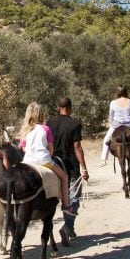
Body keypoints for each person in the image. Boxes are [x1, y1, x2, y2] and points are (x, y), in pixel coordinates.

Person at [18, 101, 75, 216]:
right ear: (40, 114)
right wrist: (48, 154)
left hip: (28, 162)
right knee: (64, 177)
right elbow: (51, 148)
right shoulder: (45, 129)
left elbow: (23, 149)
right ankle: (66, 205)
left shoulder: (24, 130)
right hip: (44, 161)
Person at [47, 96, 89, 238]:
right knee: (74, 197)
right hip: (71, 165)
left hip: (53, 165)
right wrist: (84, 168)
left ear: (58, 108)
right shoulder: (75, 124)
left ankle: (56, 230)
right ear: (70, 108)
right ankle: (68, 226)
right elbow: (77, 147)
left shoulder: (49, 123)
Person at [99, 86, 130, 168]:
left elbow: (111, 116)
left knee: (106, 140)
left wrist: (113, 123)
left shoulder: (113, 102)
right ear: (126, 92)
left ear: (117, 92)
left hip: (116, 125)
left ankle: (103, 159)